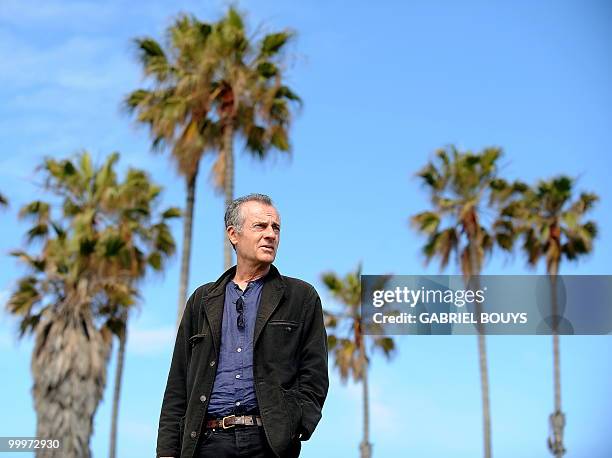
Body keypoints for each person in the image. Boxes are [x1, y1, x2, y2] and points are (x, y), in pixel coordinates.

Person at [156, 194, 329, 458]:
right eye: (260, 226)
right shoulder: (202, 300)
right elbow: (178, 385)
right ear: (233, 234)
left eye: (276, 228)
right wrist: (167, 453)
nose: (271, 234)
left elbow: (314, 374)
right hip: (206, 443)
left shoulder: (301, 297)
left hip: (270, 443)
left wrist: (297, 425)